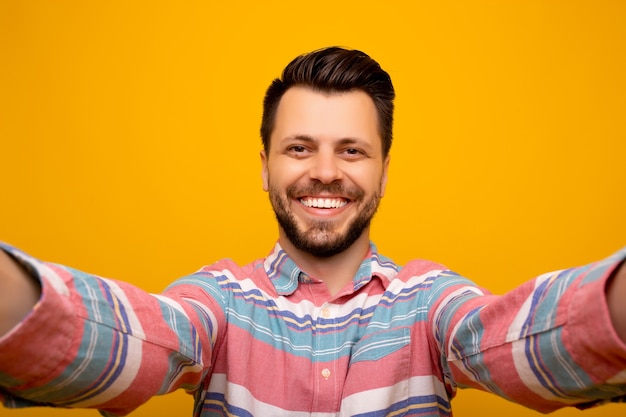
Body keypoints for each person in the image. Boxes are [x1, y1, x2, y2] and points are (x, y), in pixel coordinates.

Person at [1, 46, 625, 417]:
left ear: (383, 170)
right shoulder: (214, 300)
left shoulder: (431, 300)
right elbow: (132, 341)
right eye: (300, 148)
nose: (325, 172)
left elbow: (514, 340)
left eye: (352, 151)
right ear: (266, 165)